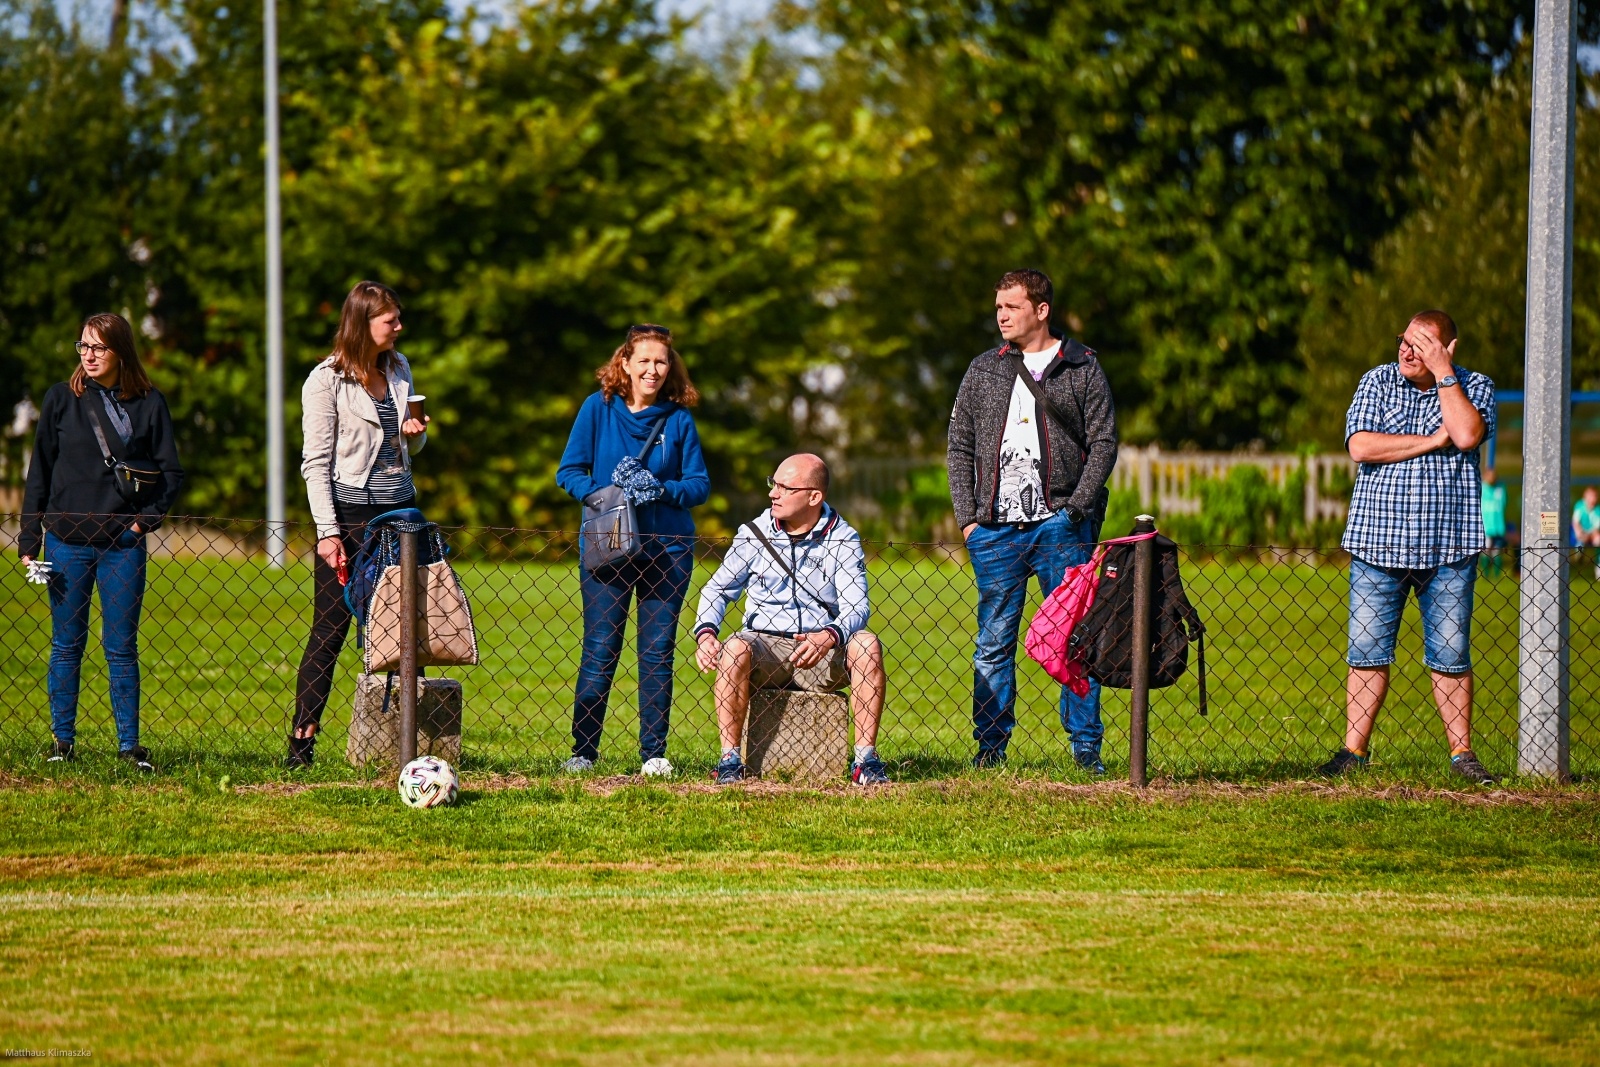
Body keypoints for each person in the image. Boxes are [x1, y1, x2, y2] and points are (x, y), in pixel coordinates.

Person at [946, 269, 1118, 771]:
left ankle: (1086, 750)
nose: (1001, 315)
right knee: (993, 644)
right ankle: (990, 750)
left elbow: (1104, 441)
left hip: (1059, 526)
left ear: (1041, 310)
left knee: (1074, 638)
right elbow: (959, 447)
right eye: (998, 307)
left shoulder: (1082, 365)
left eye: (1012, 307)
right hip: (993, 529)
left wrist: (1076, 509)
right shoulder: (983, 369)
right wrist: (968, 521)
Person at [1319, 310, 1497, 785]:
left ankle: (1462, 754)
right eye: (1403, 340)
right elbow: (1360, 446)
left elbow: (1465, 434)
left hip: (1449, 547)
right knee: (1366, 650)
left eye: (1420, 344)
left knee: (1451, 654)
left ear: (1446, 349)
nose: (1405, 350)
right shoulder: (1376, 381)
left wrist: (1444, 376)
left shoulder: (1474, 386)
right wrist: (1428, 441)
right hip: (1378, 544)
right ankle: (1354, 752)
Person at [19, 313, 184, 771]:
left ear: (121, 352)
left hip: (121, 548)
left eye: (99, 348)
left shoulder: (150, 404)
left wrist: (140, 525)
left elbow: (171, 475)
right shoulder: (60, 400)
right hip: (65, 543)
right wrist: (30, 536)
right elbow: (40, 473)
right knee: (66, 645)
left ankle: (130, 747)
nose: (88, 356)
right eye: (83, 346)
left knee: (120, 647)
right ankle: (62, 743)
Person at [557, 324, 709, 776]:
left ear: (670, 366)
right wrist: (609, 494)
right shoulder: (597, 408)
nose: (652, 370)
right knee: (601, 648)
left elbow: (699, 485)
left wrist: (659, 489)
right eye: (643, 360)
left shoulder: (678, 420)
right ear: (624, 362)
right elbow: (569, 471)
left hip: (668, 550)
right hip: (610, 546)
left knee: (658, 650)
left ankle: (654, 754)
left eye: (661, 361)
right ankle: (583, 752)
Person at [290, 281, 428, 768]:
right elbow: (315, 463)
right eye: (389, 320)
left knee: (407, 629)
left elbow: (408, 451)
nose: (398, 327)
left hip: (402, 517)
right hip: (349, 520)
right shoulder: (325, 381)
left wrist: (416, 434)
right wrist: (328, 533)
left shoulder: (399, 367)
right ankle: (302, 744)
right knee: (330, 629)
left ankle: (411, 749)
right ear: (362, 323)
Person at [693, 453, 889, 785]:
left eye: (785, 487)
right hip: (764, 647)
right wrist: (706, 634)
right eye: (774, 484)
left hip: (821, 649)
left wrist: (828, 636)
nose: (773, 493)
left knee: (868, 644)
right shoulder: (753, 533)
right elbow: (717, 590)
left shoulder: (844, 538)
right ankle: (729, 761)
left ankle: (865, 762)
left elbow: (857, 607)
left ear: (814, 497)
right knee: (735, 648)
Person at [1480, 468, 1507, 578]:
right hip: (1486, 526)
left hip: (1498, 525)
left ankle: (1496, 574)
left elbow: (1504, 503)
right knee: (1486, 550)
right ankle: (1486, 574)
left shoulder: (1500, 488)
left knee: (1497, 550)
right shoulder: (1482, 488)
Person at [1571, 485, 1600, 580]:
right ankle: (1580, 549)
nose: (1592, 499)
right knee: (1579, 536)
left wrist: (1589, 535)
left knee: (1598, 540)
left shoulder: (1597, 510)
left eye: (1594, 496)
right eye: (1590, 496)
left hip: (1592, 534)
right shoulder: (1580, 506)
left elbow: (1596, 527)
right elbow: (1575, 522)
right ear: (1585, 496)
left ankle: (1598, 567)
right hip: (1580, 533)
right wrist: (1579, 532)